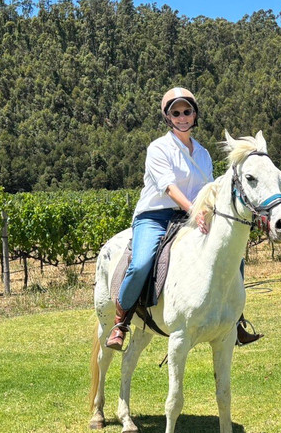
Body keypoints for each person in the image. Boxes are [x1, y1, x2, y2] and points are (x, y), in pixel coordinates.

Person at [106, 87, 261, 350]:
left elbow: (211, 189)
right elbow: (169, 187)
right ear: (168, 118)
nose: (182, 117)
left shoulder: (202, 153)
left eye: (186, 111)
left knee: (233, 257)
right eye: (175, 113)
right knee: (142, 262)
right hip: (155, 216)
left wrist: (211, 212)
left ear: (194, 114)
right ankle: (121, 322)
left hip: (191, 215)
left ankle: (235, 320)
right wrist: (194, 210)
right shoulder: (158, 148)